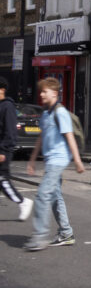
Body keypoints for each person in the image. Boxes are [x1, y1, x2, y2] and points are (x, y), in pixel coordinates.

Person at [25, 77, 85, 251]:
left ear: (54, 93)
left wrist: (78, 161)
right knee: (54, 198)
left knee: (43, 195)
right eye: (41, 91)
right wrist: (32, 159)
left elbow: (70, 137)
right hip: (50, 160)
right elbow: (41, 136)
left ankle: (39, 237)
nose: (41, 94)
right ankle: (66, 233)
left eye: (45, 91)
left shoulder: (61, 113)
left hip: (58, 160)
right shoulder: (46, 113)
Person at [0, 77, 33, 221]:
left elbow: (10, 132)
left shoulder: (7, 107)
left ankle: (23, 202)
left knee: (3, 180)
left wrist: (3, 150)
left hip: (3, 150)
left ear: (2, 90)